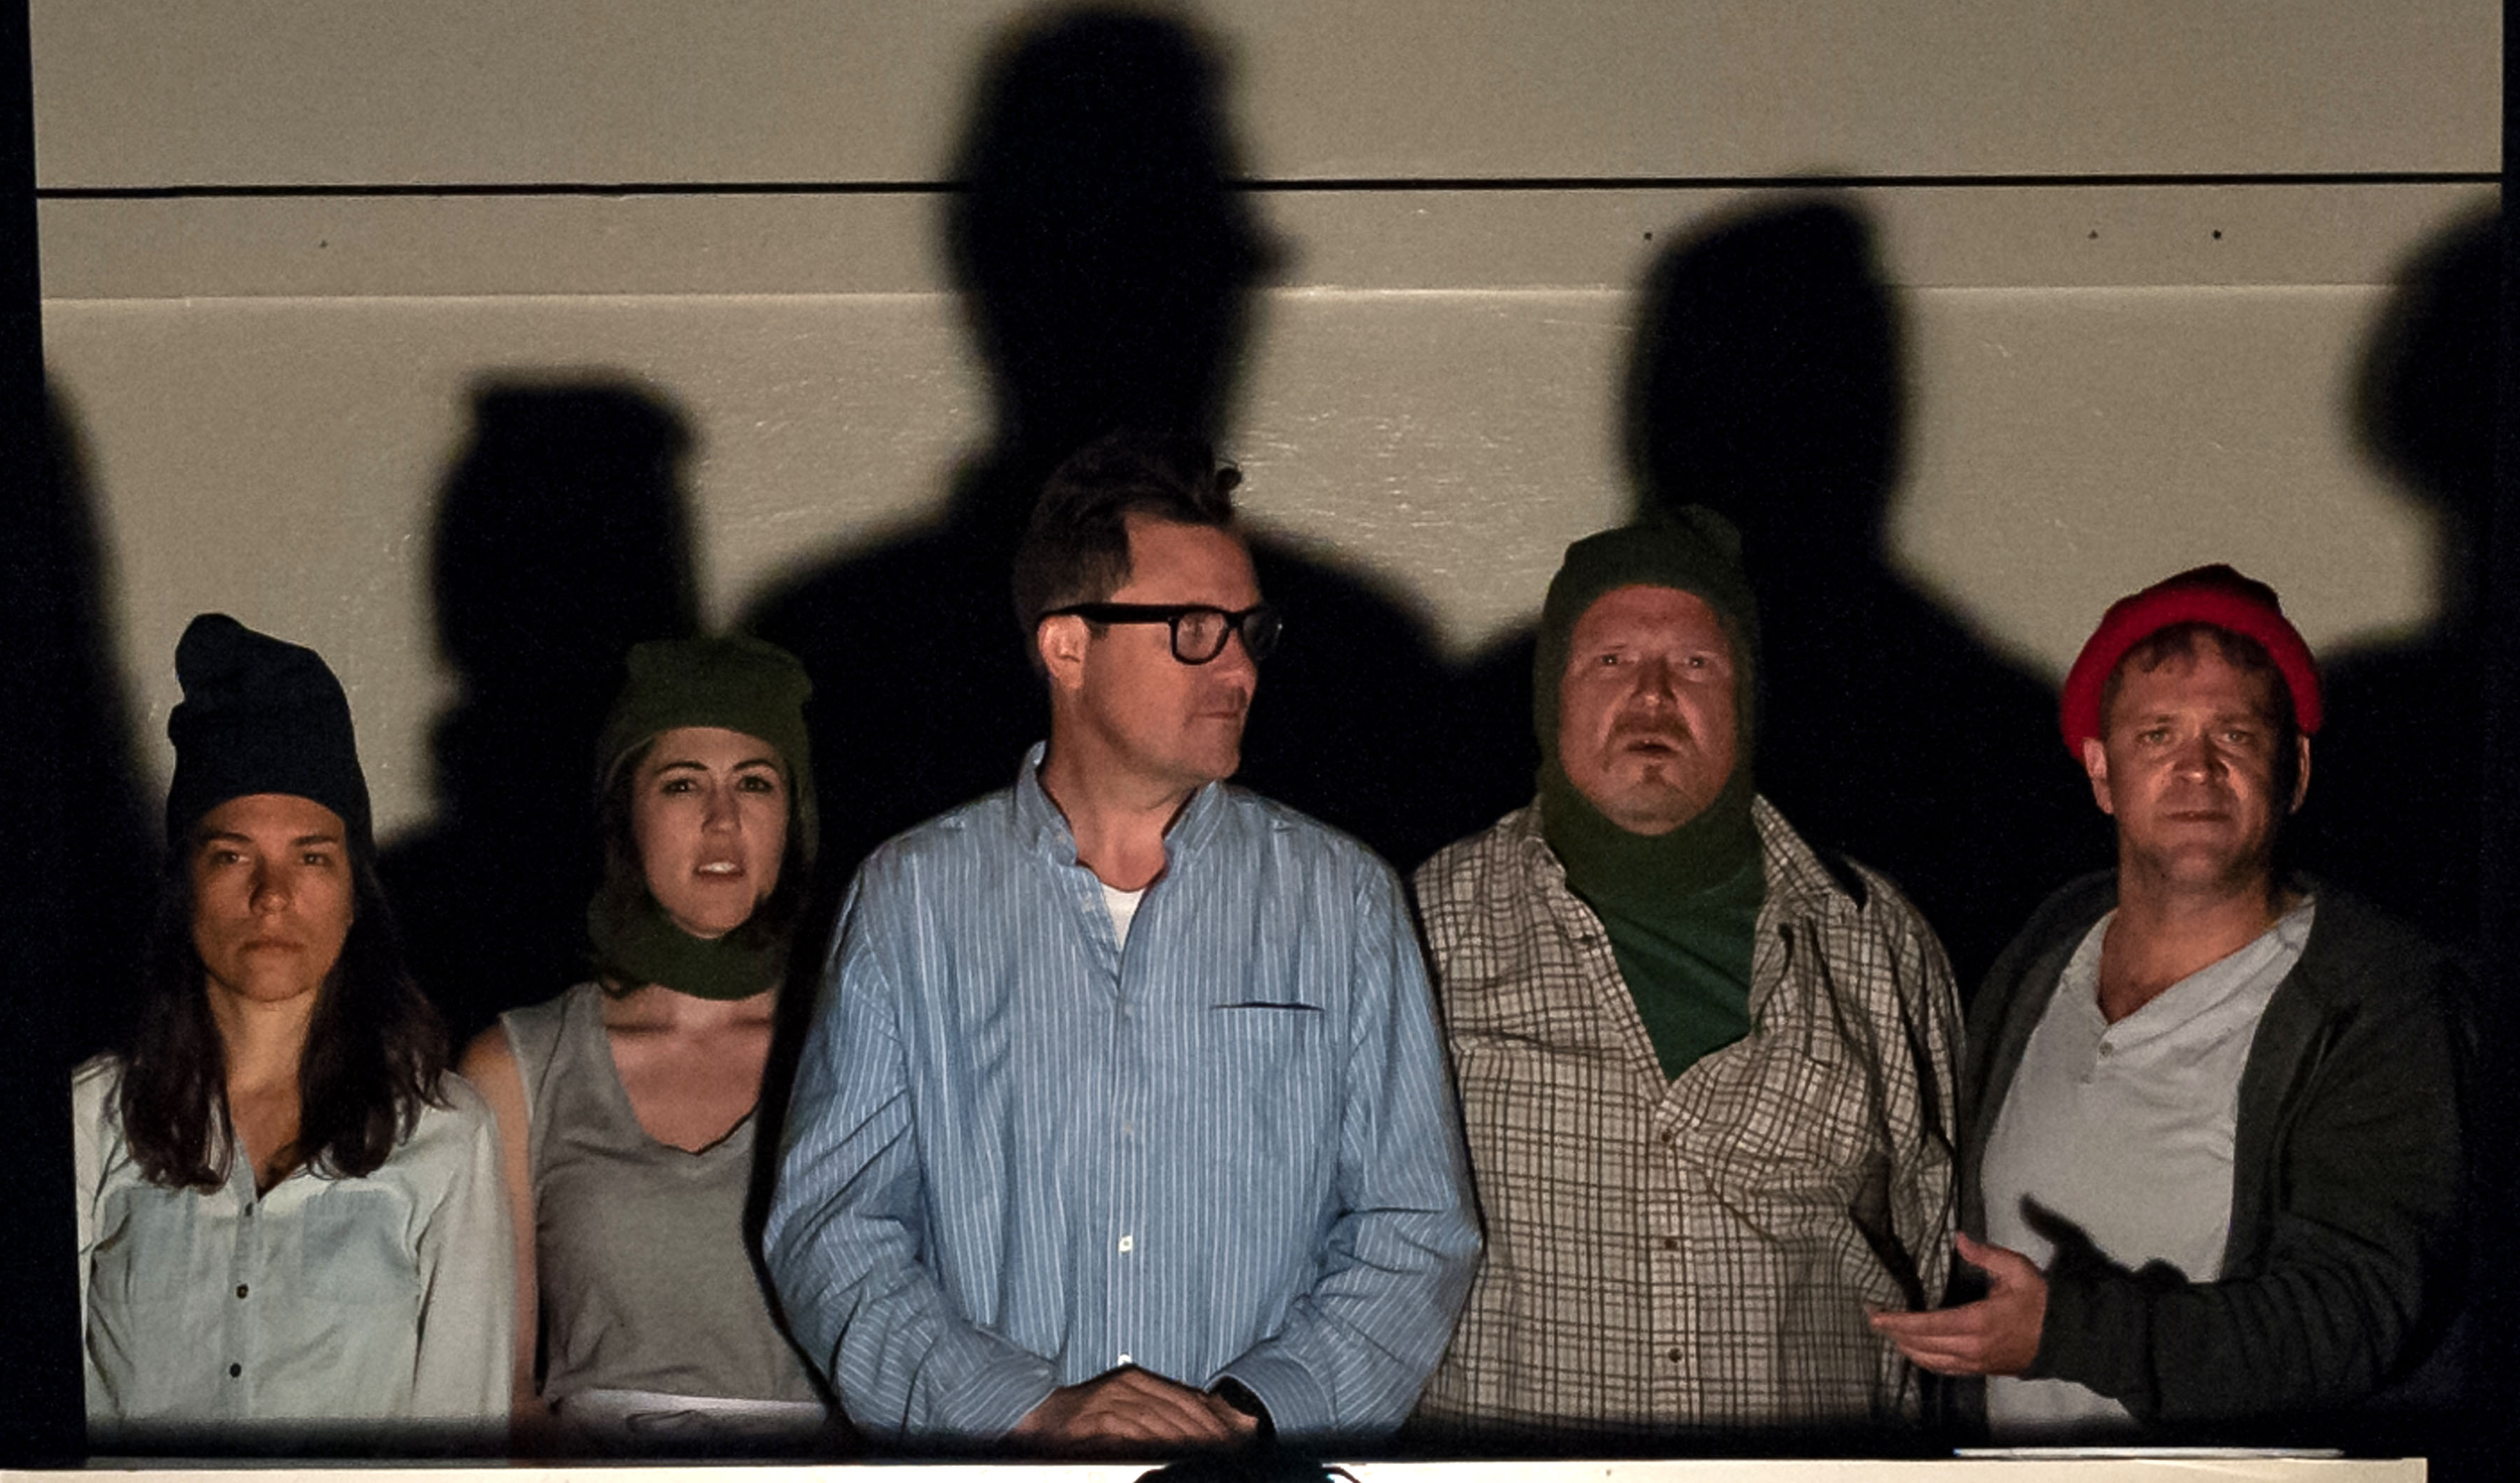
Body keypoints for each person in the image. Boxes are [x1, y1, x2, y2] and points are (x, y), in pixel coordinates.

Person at [762, 432, 1479, 1455]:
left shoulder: (1344, 900)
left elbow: (1415, 1228)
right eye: (1193, 628)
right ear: (1067, 648)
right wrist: (1022, 1410)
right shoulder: (912, 899)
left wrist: (1250, 1416)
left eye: (1249, 630)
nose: (1237, 665)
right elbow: (832, 1230)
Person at [1872, 565, 2469, 1438]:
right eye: (2155, 735)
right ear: (2101, 772)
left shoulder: (2375, 1000)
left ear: (2293, 769)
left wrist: (2069, 1334)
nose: (2196, 767)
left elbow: (2355, 1314)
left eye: (2234, 733)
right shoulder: (2043, 951)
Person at [1410, 512, 1960, 1441]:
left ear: (1747, 698)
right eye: (1612, 662)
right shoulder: (1428, 926)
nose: (1655, 698)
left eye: (1697, 664)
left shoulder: (1877, 941)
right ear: (1555, 694)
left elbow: (1939, 1246)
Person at [73, 614, 511, 1451]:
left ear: (354, 890)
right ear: (185, 884)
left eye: (311, 856)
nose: (273, 896)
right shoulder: (91, 1120)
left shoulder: (446, 1134)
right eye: (233, 856)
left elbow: (460, 1442)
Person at [459, 635, 834, 1451]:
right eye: (681, 784)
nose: (722, 819)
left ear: (792, 818)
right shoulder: (518, 1066)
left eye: (756, 784)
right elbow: (499, 1393)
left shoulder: (858, 1044)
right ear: (626, 812)